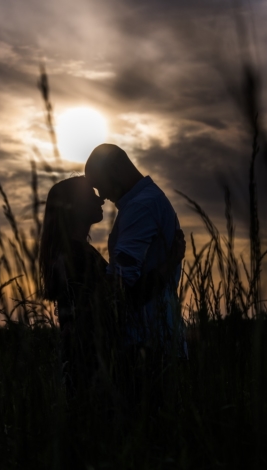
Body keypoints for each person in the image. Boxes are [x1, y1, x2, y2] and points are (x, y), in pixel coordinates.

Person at [38, 176, 184, 399]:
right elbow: (120, 301)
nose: (101, 200)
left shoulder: (73, 253)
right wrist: (168, 264)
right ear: (75, 205)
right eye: (92, 194)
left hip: (87, 365)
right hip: (92, 370)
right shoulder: (75, 257)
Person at [85, 144, 187, 405]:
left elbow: (121, 285)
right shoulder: (146, 202)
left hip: (147, 343)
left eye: (100, 185)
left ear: (117, 170)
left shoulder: (141, 207)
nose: (102, 196)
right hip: (155, 339)